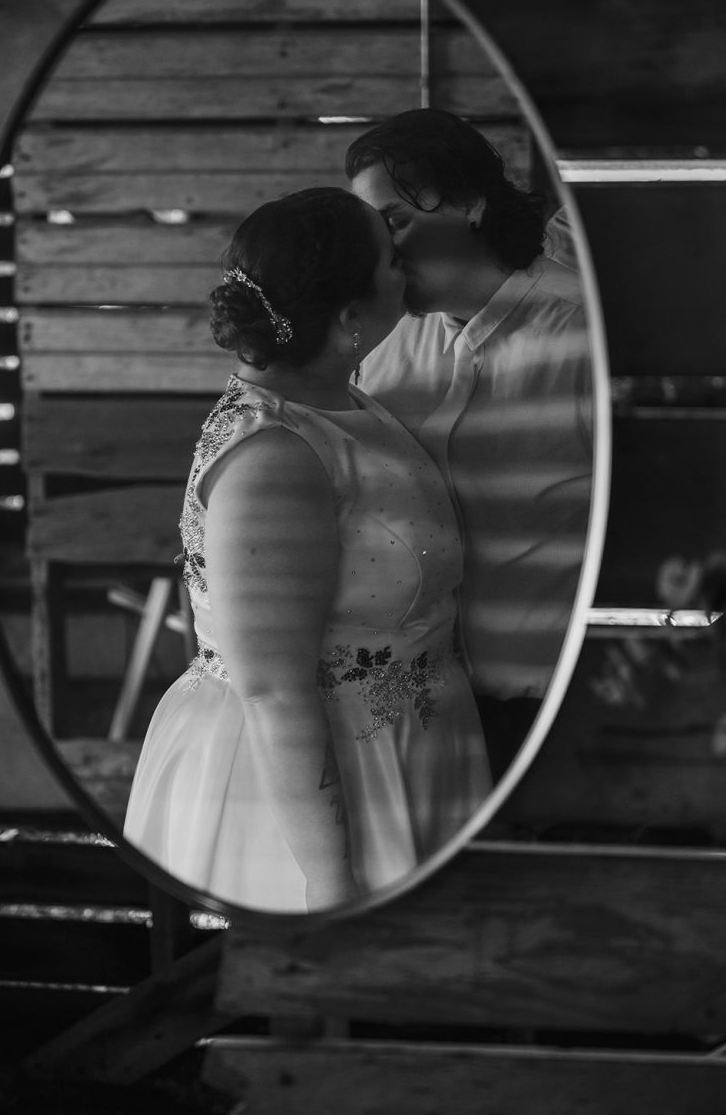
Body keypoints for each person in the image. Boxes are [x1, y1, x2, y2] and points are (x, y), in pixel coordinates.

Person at [123, 187, 492, 913]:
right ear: (351, 317)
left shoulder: (343, 400)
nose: (407, 266)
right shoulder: (272, 458)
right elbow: (273, 688)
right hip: (313, 783)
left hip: (411, 750)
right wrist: (331, 881)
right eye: (391, 258)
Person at [346, 109, 593, 780]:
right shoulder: (380, 351)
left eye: (394, 219)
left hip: (558, 706)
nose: (382, 251)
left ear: (473, 203)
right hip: (423, 711)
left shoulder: (585, 338)